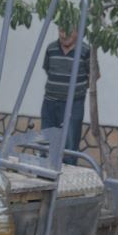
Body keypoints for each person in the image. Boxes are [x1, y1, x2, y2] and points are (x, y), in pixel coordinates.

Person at [40, 24, 95, 155]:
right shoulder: (51, 48)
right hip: (50, 103)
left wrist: (78, 89)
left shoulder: (85, 50)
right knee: (45, 142)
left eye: (68, 32)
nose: (63, 35)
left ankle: (67, 173)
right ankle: (45, 173)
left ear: (77, 31)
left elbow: (94, 76)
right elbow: (48, 70)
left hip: (73, 105)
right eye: (61, 30)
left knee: (69, 145)